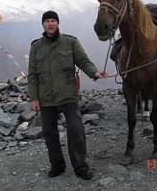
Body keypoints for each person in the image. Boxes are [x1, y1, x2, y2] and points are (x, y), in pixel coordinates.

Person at [28, 10, 107, 180]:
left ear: (58, 23)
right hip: (46, 97)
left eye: (53, 20)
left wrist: (94, 73)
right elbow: (32, 74)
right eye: (47, 21)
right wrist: (34, 98)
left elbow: (83, 61)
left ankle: (80, 166)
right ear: (43, 24)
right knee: (49, 132)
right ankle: (57, 165)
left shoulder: (70, 42)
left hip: (68, 94)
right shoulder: (36, 46)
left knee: (76, 129)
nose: (50, 23)